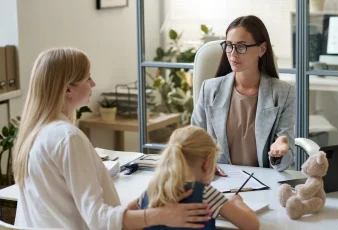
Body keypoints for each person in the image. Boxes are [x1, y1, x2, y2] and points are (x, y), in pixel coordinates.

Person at [13, 47, 211, 229]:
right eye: (87, 77)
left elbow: (73, 209)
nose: (93, 83)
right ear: (67, 89)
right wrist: (159, 215)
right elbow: (99, 220)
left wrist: (142, 202)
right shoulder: (68, 138)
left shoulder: (34, 134)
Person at [191, 15, 295, 173]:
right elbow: (193, 141)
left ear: (262, 49)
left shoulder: (284, 93)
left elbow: (285, 161)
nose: (233, 53)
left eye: (241, 46)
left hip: (263, 183)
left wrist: (279, 153)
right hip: (219, 180)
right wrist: (204, 164)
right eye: (229, 45)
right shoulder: (209, 89)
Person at [127, 126, 260, 230]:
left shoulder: (154, 189)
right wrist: (237, 201)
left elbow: (127, 214)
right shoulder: (206, 194)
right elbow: (252, 225)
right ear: (207, 163)